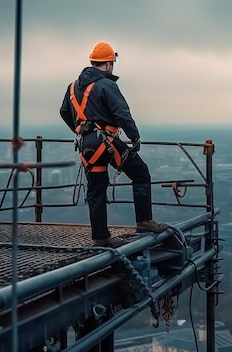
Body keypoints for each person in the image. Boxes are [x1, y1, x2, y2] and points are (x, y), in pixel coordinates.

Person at [60, 41, 168, 247]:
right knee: (141, 173)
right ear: (109, 64)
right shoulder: (106, 85)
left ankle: (100, 237)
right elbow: (122, 114)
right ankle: (144, 221)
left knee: (96, 188)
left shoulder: (73, 87)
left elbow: (64, 112)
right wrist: (134, 138)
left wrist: (80, 130)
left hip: (87, 145)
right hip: (107, 142)